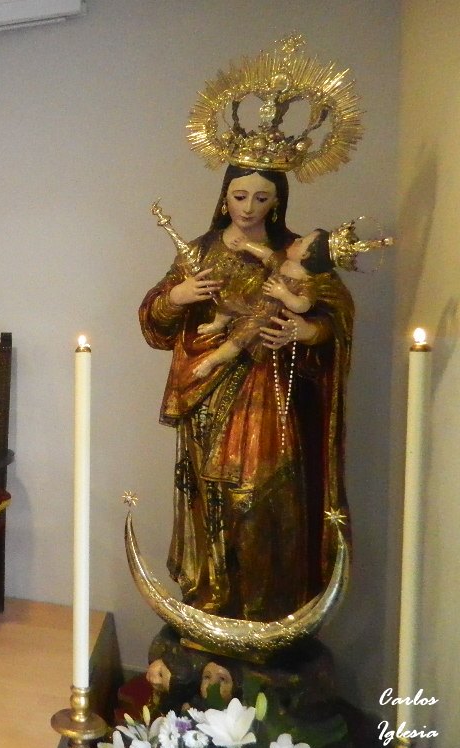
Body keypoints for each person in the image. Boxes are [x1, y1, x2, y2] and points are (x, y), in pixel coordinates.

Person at [138, 164, 354, 622]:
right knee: (212, 497)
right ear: (225, 197)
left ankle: (266, 612)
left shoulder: (295, 254)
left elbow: (334, 320)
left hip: (269, 392)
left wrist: (305, 331)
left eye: (261, 197)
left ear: (277, 202)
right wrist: (177, 297)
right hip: (205, 397)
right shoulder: (201, 249)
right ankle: (214, 602)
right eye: (239, 196)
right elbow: (156, 324)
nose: (249, 208)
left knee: (258, 496)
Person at [191, 229, 335, 380]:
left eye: (302, 241)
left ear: (305, 255)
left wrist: (284, 294)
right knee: (229, 301)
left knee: (241, 337)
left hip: (266, 315)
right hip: (254, 299)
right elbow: (266, 254)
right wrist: (246, 244)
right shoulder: (283, 263)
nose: (297, 240)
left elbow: (303, 305)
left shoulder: (306, 283)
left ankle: (211, 362)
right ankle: (217, 324)